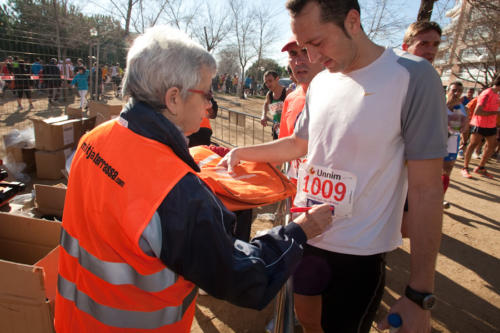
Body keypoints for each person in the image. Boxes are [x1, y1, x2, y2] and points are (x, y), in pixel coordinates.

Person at [54, 25, 333, 333]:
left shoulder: (94, 140)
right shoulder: (174, 190)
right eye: (206, 93)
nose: (208, 105)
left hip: (73, 319)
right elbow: (242, 278)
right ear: (174, 99)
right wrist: (299, 231)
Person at [220, 1, 447, 332]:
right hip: (306, 235)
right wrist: (244, 152)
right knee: (309, 323)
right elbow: (299, 144)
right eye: (303, 47)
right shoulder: (323, 82)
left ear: (352, 21)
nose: (311, 58)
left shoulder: (413, 76)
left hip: (359, 255)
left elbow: (427, 190)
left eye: (317, 43)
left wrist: (419, 294)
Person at [461, 75, 500, 179]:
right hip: (479, 123)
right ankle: (465, 168)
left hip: (491, 125)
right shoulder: (487, 93)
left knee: (491, 146)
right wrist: (495, 112)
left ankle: (481, 167)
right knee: (472, 145)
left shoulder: (496, 95)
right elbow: (478, 111)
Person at [442, 82, 468, 208]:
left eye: (460, 91)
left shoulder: (460, 106)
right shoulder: (439, 102)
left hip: (452, 142)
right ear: (448, 90)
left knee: (447, 171)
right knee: (433, 171)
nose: (457, 93)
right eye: (454, 90)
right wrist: (448, 106)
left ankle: (441, 198)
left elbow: (455, 128)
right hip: (436, 142)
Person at [261, 71, 287, 140]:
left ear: (277, 79)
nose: (268, 84)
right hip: (276, 129)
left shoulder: (287, 92)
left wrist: (283, 124)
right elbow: (266, 104)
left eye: (270, 81)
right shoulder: (269, 95)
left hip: (287, 131)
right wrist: (263, 115)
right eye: (266, 82)